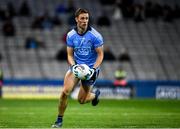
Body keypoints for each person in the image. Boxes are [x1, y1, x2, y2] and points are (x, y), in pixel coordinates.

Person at [52, 8, 104, 128]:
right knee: (65, 92)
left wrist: (93, 70)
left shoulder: (95, 36)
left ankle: (95, 95)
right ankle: (59, 121)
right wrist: (74, 66)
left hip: (90, 70)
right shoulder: (70, 35)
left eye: (86, 18)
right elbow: (69, 55)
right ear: (76, 19)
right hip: (76, 67)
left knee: (81, 100)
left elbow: (100, 55)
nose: (85, 21)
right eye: (82, 18)